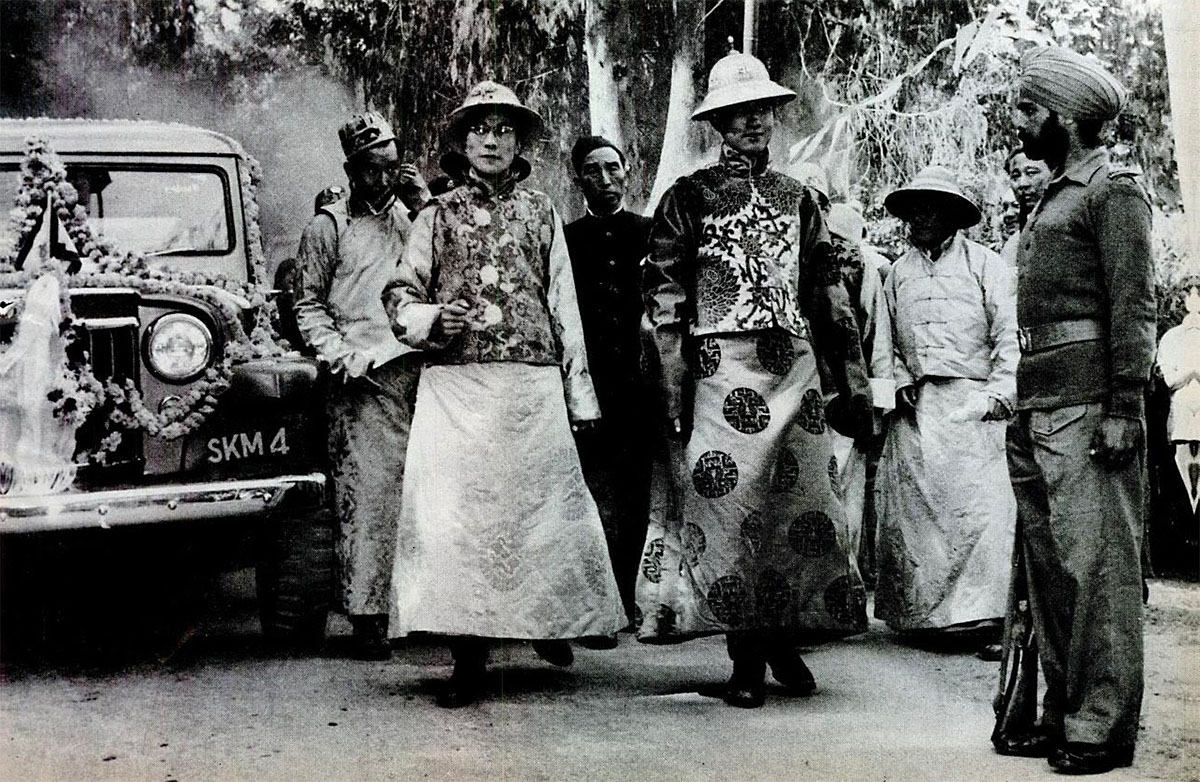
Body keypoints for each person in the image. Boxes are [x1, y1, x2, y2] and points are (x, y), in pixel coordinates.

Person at [638, 51, 872, 709]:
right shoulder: (687, 196)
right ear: (718, 122)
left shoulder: (799, 198)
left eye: (759, 111)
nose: (750, 122)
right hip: (719, 370)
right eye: (736, 113)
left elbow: (827, 290)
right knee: (733, 507)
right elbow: (664, 293)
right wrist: (675, 377)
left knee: (800, 509)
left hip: (790, 367)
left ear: (772, 115)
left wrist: (850, 384)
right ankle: (746, 652)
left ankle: (783, 637)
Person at [383, 81, 625, 708]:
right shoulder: (435, 216)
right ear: (462, 142)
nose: (491, 140)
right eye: (480, 129)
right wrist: (435, 318)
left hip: (529, 387)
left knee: (537, 514)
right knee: (461, 520)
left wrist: (581, 397)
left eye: (505, 129)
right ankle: (468, 655)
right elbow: (399, 296)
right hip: (457, 389)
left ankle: (543, 624)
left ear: (520, 141)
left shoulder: (541, 211)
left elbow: (563, 303)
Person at [994, 46, 1155, 775]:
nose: (1018, 121)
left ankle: (1101, 726)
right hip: (1039, 403)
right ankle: (1064, 711)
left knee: (1099, 571)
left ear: (1066, 118)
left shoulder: (1112, 190)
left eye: (1029, 110)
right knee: (1052, 571)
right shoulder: (1054, 193)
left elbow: (1134, 305)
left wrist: (1125, 405)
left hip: (1090, 407)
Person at [874, 166, 1018, 653]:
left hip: (974, 403)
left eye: (932, 208)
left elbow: (1007, 336)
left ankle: (983, 616)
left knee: (981, 513)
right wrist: (897, 382)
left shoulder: (986, 266)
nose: (921, 218)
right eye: (915, 208)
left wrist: (999, 394)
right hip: (919, 408)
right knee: (920, 517)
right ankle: (926, 617)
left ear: (954, 216)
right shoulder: (896, 273)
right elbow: (886, 342)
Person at [293, 111, 419, 660]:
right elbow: (308, 306)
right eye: (372, 170)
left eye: (392, 168)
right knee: (367, 499)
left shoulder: (414, 218)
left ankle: (421, 611)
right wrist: (340, 354)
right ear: (350, 170)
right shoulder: (328, 227)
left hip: (416, 366)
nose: (383, 180)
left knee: (422, 494)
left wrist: (419, 204)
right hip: (360, 379)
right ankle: (367, 615)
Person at [563, 136, 654, 638]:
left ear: (627, 173)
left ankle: (628, 597)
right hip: (588, 386)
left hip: (637, 385)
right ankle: (593, 607)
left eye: (612, 169)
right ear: (579, 181)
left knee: (636, 492)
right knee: (590, 493)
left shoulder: (649, 231)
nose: (605, 179)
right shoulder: (568, 238)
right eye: (593, 172)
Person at [1000, 150, 1051, 267]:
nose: (1022, 184)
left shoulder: (1074, 220)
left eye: (1031, 173)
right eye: (1015, 176)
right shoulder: (1013, 245)